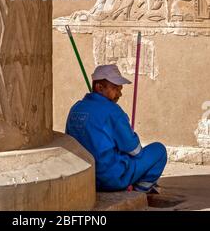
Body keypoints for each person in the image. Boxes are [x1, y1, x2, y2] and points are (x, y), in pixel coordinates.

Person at [66, 64, 167, 193]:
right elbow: (135, 150)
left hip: (85, 177)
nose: (119, 94)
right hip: (111, 178)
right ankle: (139, 190)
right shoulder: (113, 111)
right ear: (99, 87)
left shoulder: (76, 108)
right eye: (115, 88)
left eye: (120, 89)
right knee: (158, 150)